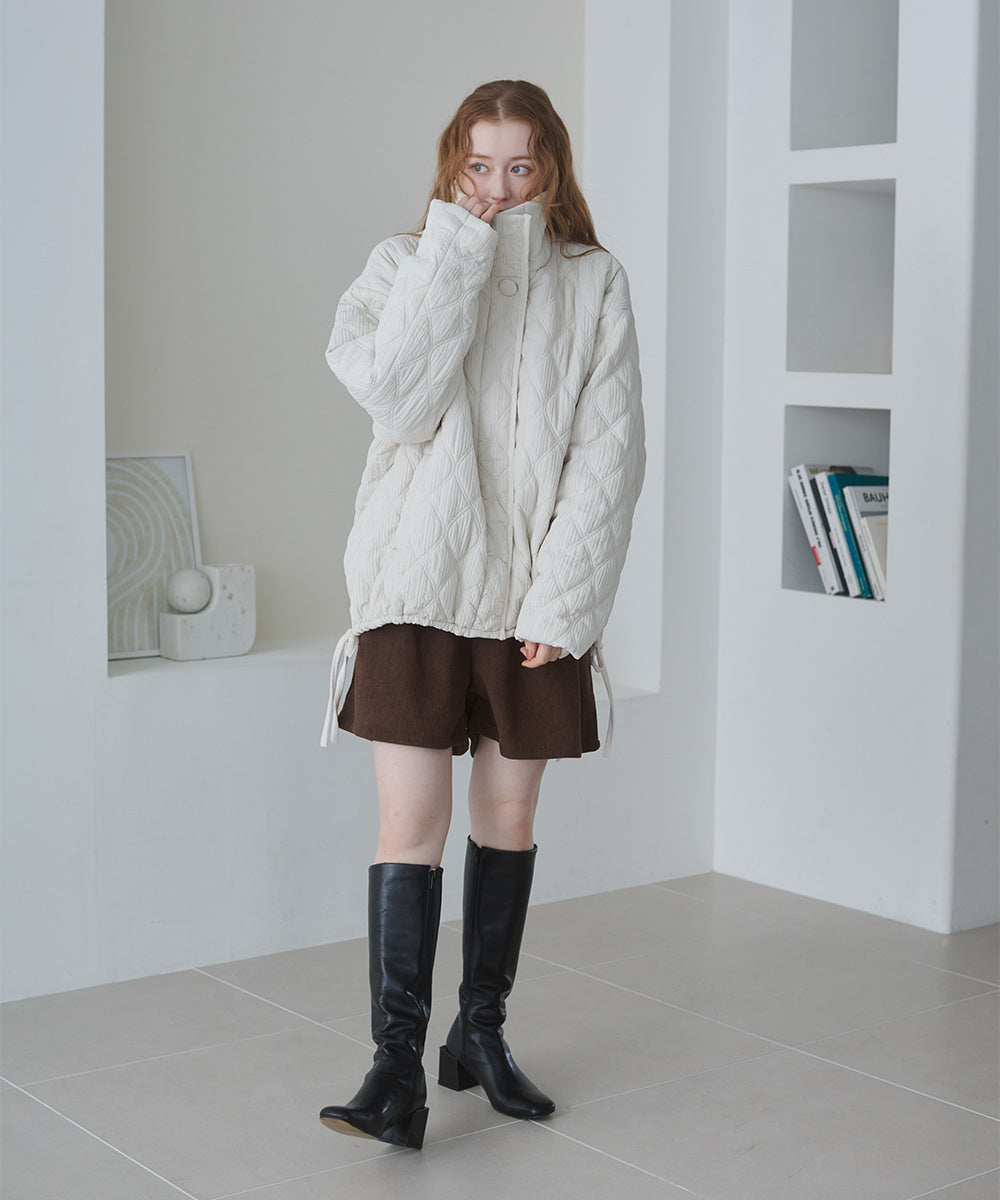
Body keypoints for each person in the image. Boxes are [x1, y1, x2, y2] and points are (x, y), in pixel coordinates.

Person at [317, 79, 645, 1151]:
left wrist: (565, 602)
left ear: (550, 167)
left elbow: (608, 456)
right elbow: (398, 401)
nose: (498, 186)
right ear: (452, 164)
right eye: (478, 165)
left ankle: (481, 1036)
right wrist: (457, 252)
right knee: (406, 826)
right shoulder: (399, 265)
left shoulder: (594, 282)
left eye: (519, 165)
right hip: (415, 587)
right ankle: (393, 1069)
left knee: (506, 820)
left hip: (529, 598)